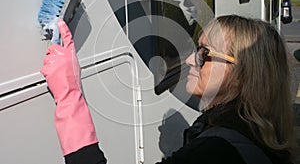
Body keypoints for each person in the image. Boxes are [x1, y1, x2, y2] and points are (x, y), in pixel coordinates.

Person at [40, 15, 296, 164]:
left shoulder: (215, 153)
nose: (188, 60)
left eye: (204, 53)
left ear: (243, 74)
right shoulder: (257, 127)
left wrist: (69, 97)